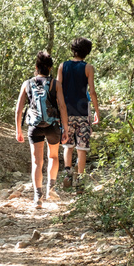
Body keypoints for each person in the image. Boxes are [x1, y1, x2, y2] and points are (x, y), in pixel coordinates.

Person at [15, 50, 61, 208]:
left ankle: (37, 197)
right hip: (52, 125)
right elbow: (62, 106)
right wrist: (67, 128)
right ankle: (51, 189)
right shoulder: (56, 84)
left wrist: (18, 130)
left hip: (34, 127)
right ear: (50, 68)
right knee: (53, 157)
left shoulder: (27, 83)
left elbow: (19, 108)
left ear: (36, 67)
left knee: (36, 161)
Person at [56, 37, 100, 188]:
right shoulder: (88, 68)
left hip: (66, 112)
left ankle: (67, 174)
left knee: (68, 146)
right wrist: (97, 112)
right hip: (82, 112)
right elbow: (92, 92)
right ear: (87, 51)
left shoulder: (63, 66)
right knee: (82, 148)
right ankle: (80, 182)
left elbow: (58, 89)